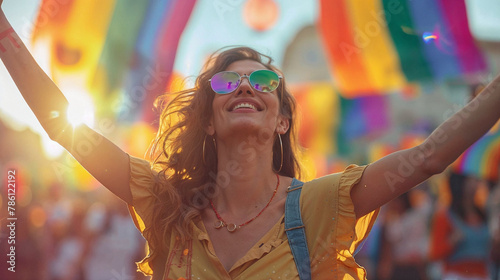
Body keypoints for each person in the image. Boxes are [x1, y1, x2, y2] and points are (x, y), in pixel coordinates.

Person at [2, 2, 500, 279]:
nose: (244, 86)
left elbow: (429, 157)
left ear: (282, 120)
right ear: (211, 121)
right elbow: (62, 128)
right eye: (226, 83)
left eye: (263, 83)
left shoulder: (317, 207)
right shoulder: (167, 200)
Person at [429, 173, 491, 280]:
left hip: (482, 274)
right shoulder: (445, 216)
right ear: (459, 183)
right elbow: (435, 253)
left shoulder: (483, 214)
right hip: (456, 275)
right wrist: (452, 242)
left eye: (476, 180)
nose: (475, 184)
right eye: (470, 180)